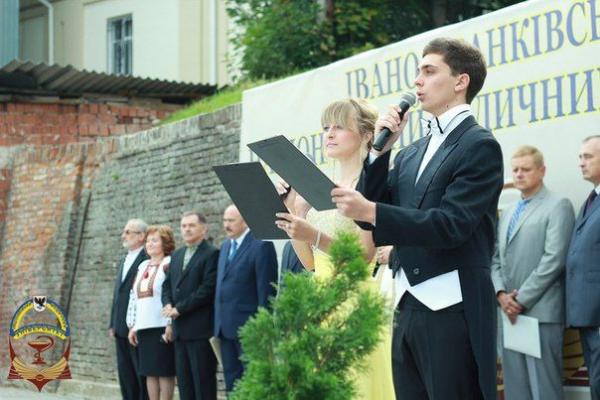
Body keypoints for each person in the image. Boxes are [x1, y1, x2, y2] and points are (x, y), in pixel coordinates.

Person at [332, 37, 503, 399]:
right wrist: (379, 153)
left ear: (460, 81)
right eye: (418, 72)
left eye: (429, 71)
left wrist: (371, 211)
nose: (417, 81)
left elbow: (451, 225)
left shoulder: (479, 145)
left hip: (453, 306)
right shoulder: (410, 153)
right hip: (405, 302)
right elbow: (370, 217)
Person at [275, 98, 395, 399]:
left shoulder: (370, 184)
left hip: (354, 297)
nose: (329, 133)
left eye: (339, 127)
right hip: (320, 297)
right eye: (326, 127)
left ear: (366, 135)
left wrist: (314, 234)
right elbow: (310, 263)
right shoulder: (321, 186)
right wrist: (294, 212)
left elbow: (365, 256)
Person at [491, 145, 574, 400]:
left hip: (540, 313)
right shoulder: (508, 213)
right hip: (509, 315)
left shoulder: (558, 205)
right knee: (516, 390)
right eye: (515, 169)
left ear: (542, 171)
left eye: (526, 169)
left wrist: (520, 299)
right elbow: (495, 258)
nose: (519, 174)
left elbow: (554, 259)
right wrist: (501, 294)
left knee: (544, 390)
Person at [214, 205, 278, 393]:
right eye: (224, 220)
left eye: (231, 221)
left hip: (249, 330)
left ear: (245, 220)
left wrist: (262, 328)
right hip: (225, 329)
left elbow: (266, 292)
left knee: (253, 381)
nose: (226, 225)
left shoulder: (261, 245)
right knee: (232, 383)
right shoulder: (225, 246)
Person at [162, 212, 219, 400]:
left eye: (191, 225)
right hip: (179, 332)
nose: (187, 229)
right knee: (185, 385)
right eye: (184, 226)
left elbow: (207, 289)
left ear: (203, 228)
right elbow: (167, 285)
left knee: (203, 385)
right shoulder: (176, 255)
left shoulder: (212, 254)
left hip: (200, 331)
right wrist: (168, 304)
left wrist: (179, 309)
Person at [566, 135, 600, 400]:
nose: (581, 163)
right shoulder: (591, 200)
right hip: (588, 314)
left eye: (588, 156)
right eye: (580, 157)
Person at [127, 225, 176, 400]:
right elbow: (134, 297)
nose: (149, 244)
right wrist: (133, 326)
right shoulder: (142, 266)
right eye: (148, 241)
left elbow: (172, 294)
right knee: (149, 372)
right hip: (144, 326)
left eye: (154, 240)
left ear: (165, 243)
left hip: (161, 325)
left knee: (164, 371)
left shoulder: (169, 263)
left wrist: (170, 323)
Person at [109, 219, 149, 400]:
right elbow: (117, 293)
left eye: (128, 232)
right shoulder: (124, 260)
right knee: (125, 373)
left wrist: (138, 324)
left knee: (139, 373)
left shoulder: (147, 259)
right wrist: (112, 322)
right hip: (120, 326)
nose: (123, 236)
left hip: (137, 327)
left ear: (141, 236)